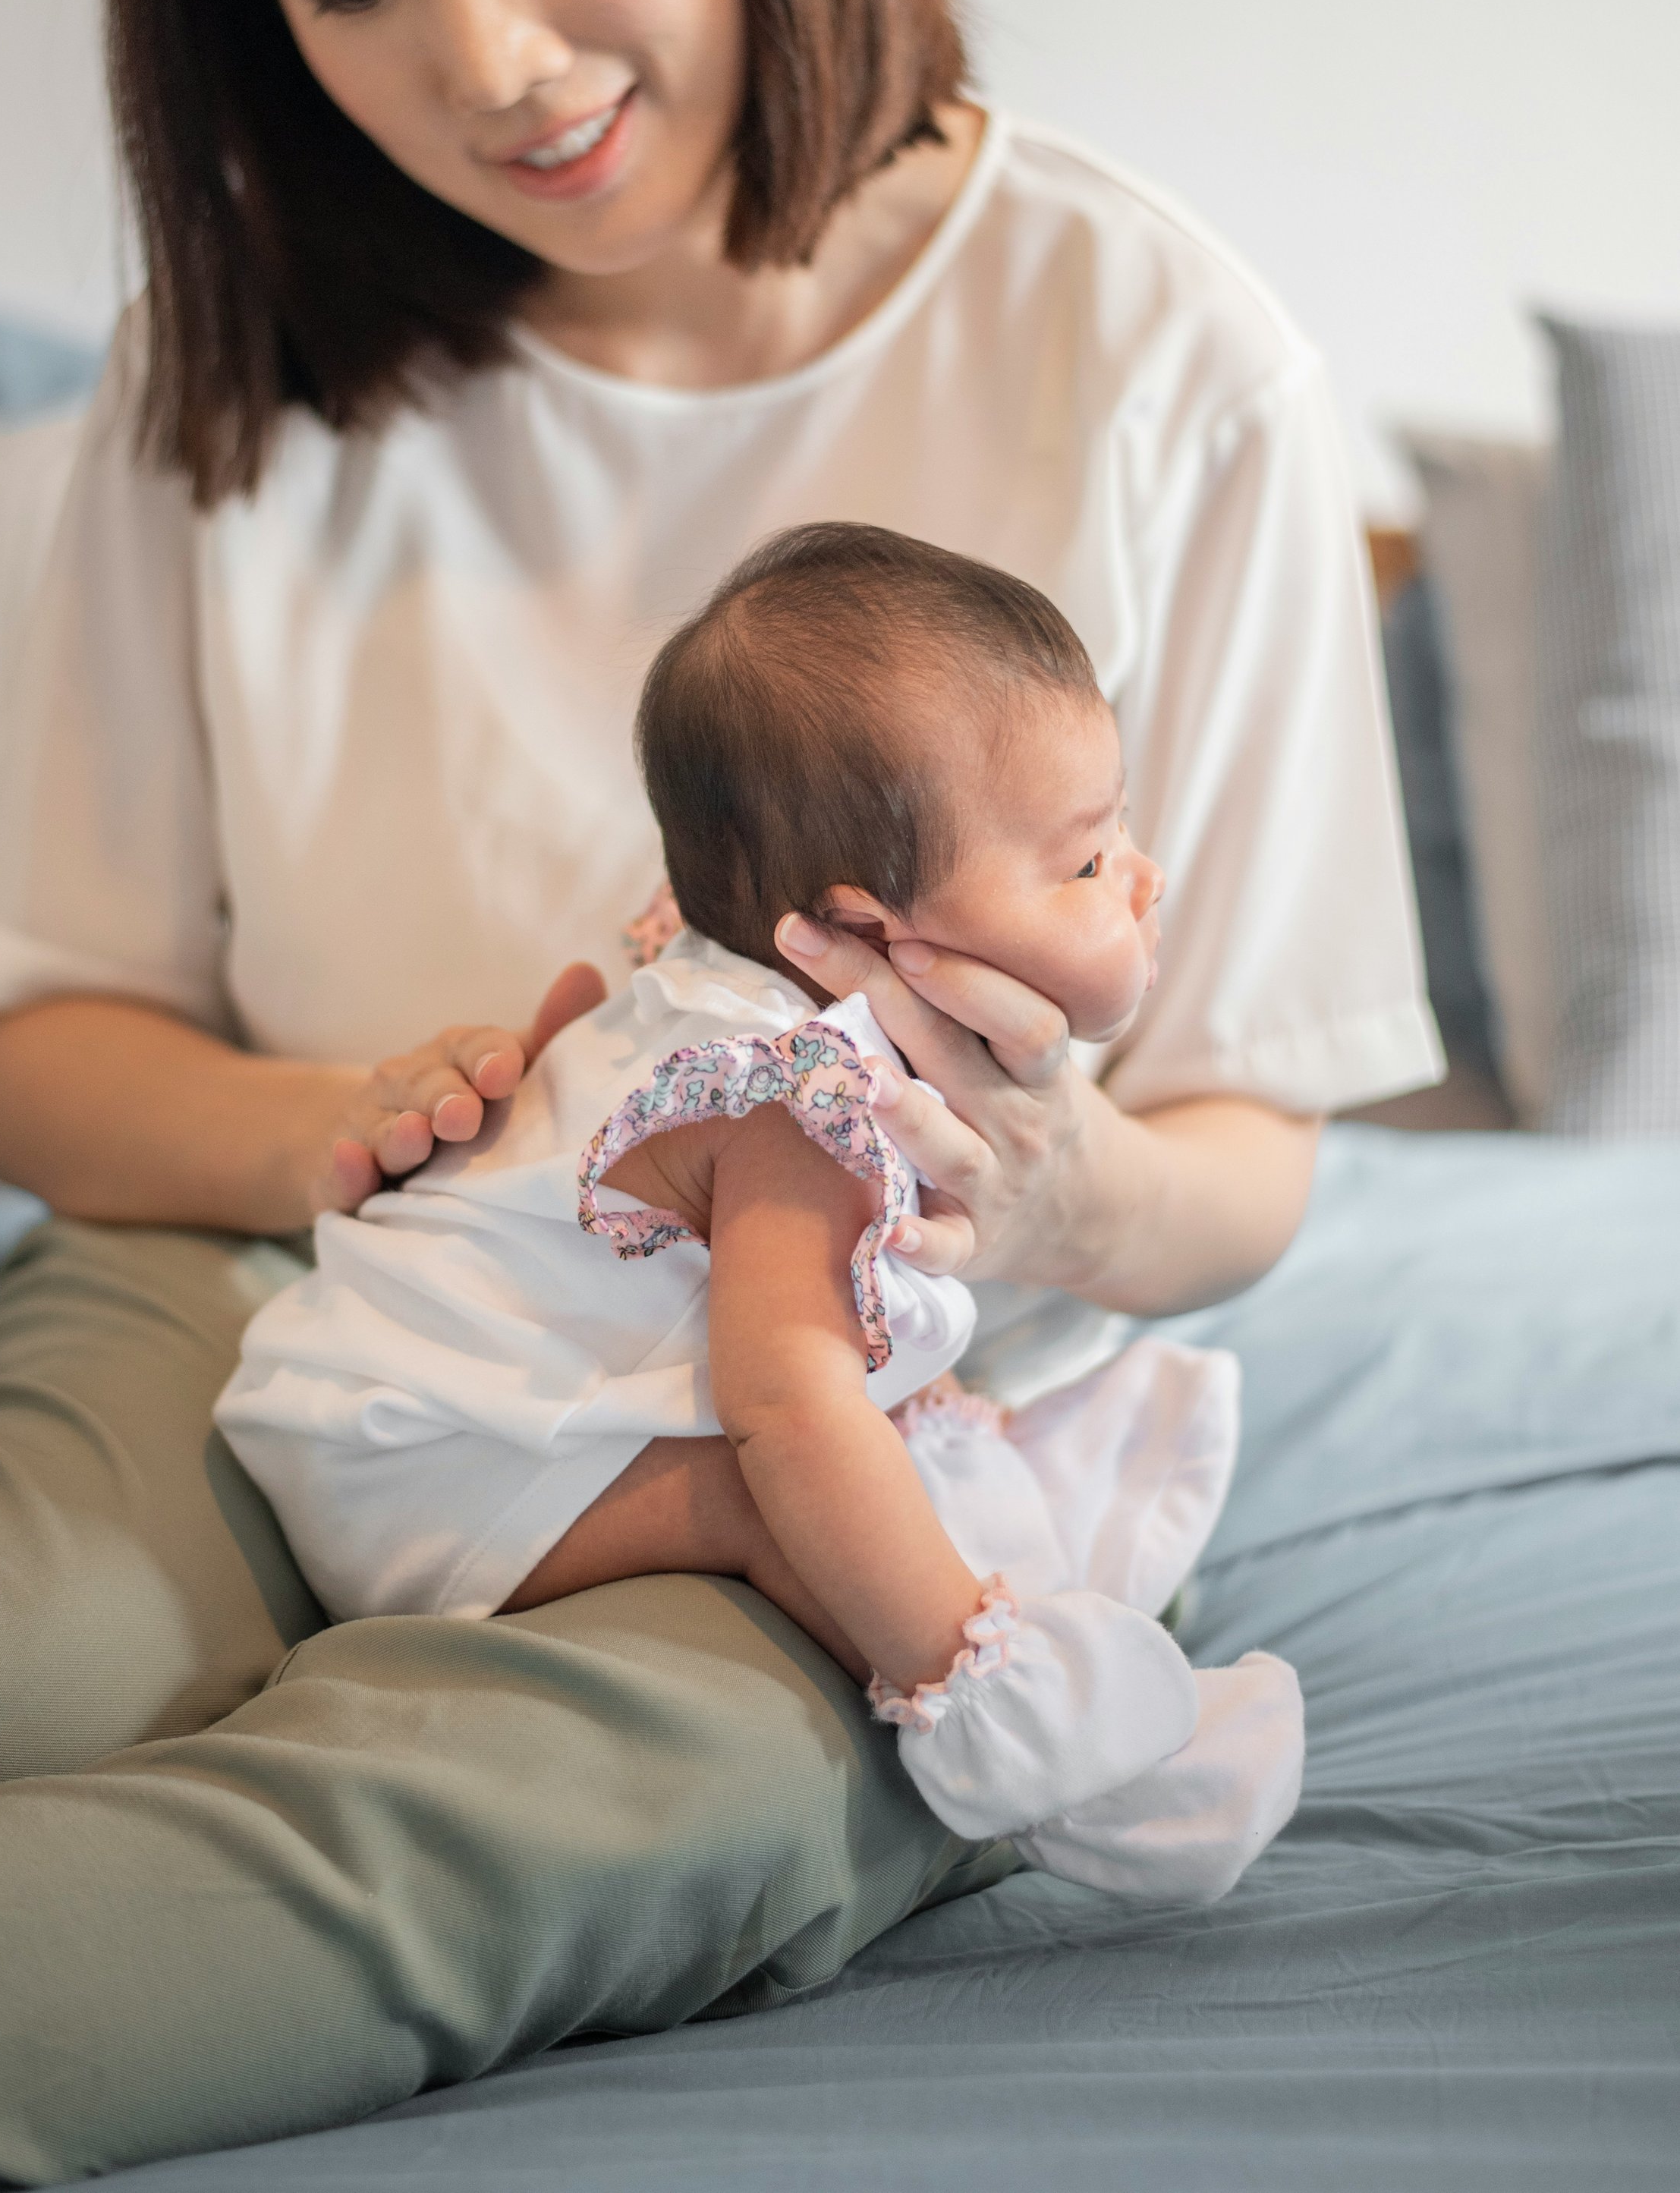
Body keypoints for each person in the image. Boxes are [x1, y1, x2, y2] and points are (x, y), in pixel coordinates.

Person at [0, 0, 1436, 2189]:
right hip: (277, 1268)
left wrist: (1062, 1211)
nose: (492, 57)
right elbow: (42, 1057)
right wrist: (350, 1120)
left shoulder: (1153, 354)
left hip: (845, 1415)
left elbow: (1256, 1132)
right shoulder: (234, 389)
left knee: (545, 1809)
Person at [216, 522, 1307, 1909]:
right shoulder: (799, 1101)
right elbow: (787, 1407)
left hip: (367, 1381)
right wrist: (949, 1655)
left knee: (870, 1412)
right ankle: (1017, 1731)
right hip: (422, 1455)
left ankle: (1004, 1548)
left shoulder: (732, 963)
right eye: (1087, 863)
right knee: (789, 1482)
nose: (1141, 877)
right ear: (877, 927)